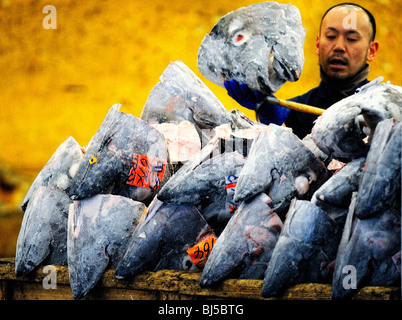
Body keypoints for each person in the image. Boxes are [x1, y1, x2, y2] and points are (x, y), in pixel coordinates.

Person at [224, 3, 379, 139]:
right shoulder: (291, 113)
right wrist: (269, 119)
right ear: (318, 45)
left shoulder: (389, 108)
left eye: (351, 39)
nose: (338, 46)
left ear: (371, 50)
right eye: (331, 36)